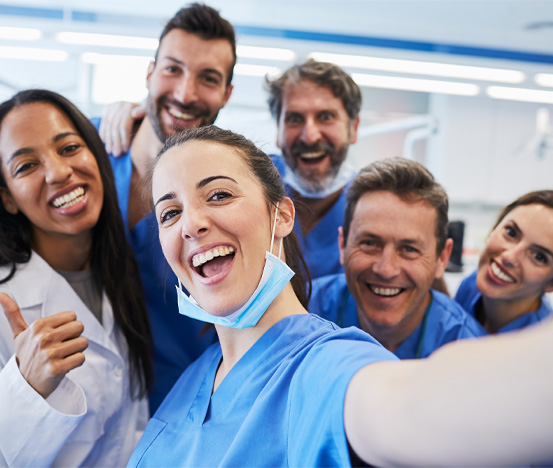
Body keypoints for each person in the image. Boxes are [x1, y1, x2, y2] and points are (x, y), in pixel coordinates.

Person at [128, 126, 553, 467]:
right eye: (170, 212)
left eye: (219, 194)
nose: (191, 223)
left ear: (282, 215)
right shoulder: (196, 377)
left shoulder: (325, 367)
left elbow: (405, 408)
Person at [92, 3, 236, 412]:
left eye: (208, 79)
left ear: (227, 94)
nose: (185, 93)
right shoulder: (86, 154)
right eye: (173, 69)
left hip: (177, 407)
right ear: (149, 73)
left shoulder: (226, 194)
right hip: (76, 401)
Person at [0, 89, 153, 467]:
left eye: (68, 148)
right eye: (26, 166)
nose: (58, 172)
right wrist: (27, 389)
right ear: (8, 198)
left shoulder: (120, 270)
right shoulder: (7, 301)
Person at [309, 158, 483, 358]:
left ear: (442, 258)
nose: (386, 269)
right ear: (342, 245)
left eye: (409, 249)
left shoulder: (469, 352)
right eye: (369, 243)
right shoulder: (302, 313)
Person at [266, 59, 361, 279]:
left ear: (353, 128)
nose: (309, 136)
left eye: (326, 117)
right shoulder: (250, 185)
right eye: (295, 119)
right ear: (278, 131)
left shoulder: (373, 204)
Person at [455, 190, 553, 334]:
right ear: (493, 230)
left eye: (539, 257)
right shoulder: (471, 285)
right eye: (511, 233)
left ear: (550, 283)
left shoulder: (540, 344)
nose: (509, 257)